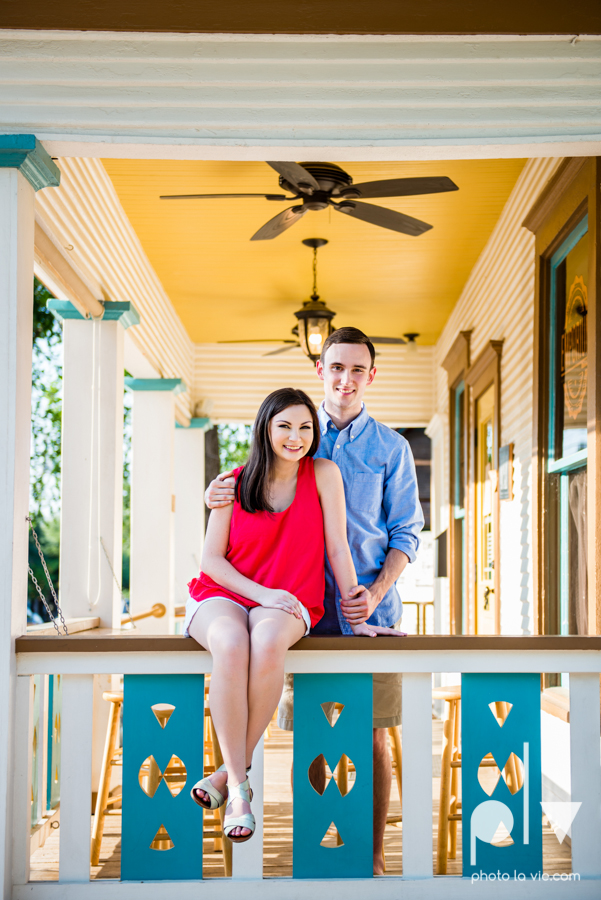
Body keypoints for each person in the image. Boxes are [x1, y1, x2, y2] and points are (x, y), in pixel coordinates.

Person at [206, 328, 424, 871]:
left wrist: (373, 593)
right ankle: (318, 850)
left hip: (366, 614)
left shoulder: (391, 448)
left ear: (370, 376)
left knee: (372, 736)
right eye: (336, 368)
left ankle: (370, 858)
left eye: (357, 370)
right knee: (312, 733)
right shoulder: (295, 432)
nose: (345, 379)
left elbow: (405, 534)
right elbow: (250, 493)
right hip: (298, 609)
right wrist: (211, 492)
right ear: (320, 371)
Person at [186, 386, 400, 844]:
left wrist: (355, 614)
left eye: (305, 427)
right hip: (227, 592)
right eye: (284, 425)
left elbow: (339, 548)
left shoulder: (323, 474)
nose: (295, 436)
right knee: (229, 642)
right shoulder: (232, 482)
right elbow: (211, 561)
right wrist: (261, 593)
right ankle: (239, 783)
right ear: (265, 428)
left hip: (290, 599)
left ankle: (230, 778)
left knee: (263, 643)